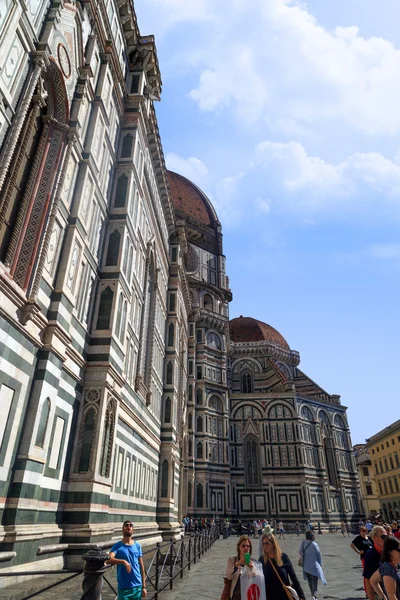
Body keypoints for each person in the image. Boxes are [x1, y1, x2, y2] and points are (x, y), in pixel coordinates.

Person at [107, 521, 147, 600]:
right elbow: (108, 559)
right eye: (126, 525)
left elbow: (141, 567)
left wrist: (144, 586)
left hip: (137, 586)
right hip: (124, 587)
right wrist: (123, 561)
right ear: (122, 530)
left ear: (132, 530)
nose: (129, 526)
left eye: (130, 525)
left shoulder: (137, 545)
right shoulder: (117, 546)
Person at [259, 531, 305, 600]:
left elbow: (293, 577)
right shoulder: (262, 560)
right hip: (268, 596)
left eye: (267, 543)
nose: (265, 546)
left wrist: (301, 596)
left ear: (273, 544)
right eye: (263, 544)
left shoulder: (283, 557)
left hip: (284, 596)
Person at [223, 535, 255, 600]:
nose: (245, 548)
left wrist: (251, 568)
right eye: (243, 546)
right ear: (239, 547)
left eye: (248, 546)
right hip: (235, 595)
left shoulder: (254, 562)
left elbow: (256, 580)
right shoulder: (232, 560)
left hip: (248, 596)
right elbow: (229, 576)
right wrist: (237, 564)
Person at [299, 531, 326, 600]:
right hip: (314, 567)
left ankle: (313, 596)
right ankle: (314, 597)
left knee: (310, 583)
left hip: (306, 567)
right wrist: (320, 565)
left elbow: (300, 552)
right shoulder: (315, 544)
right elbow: (319, 556)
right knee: (314, 583)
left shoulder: (304, 543)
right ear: (312, 536)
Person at [363, 525, 387, 600]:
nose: (386, 539)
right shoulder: (371, 554)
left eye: (387, 536)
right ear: (374, 538)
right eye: (383, 537)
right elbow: (367, 579)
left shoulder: (386, 552)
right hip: (379, 595)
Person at [350, 526, 373, 595]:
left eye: (363, 531)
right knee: (366, 575)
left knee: (372, 574)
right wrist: (358, 552)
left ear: (366, 531)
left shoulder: (369, 538)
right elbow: (351, 545)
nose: (362, 532)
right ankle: (367, 591)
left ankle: (372, 590)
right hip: (364, 558)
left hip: (371, 558)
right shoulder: (358, 538)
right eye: (361, 531)